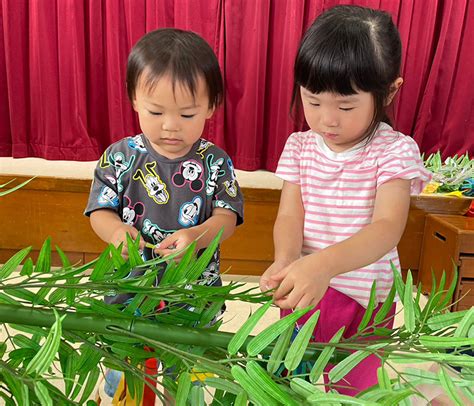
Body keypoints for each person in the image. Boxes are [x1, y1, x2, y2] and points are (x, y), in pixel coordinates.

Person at [259, 5, 431, 396]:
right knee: (289, 380)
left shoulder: (393, 151)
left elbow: (386, 229)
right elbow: (289, 214)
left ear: (388, 91)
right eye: (313, 101)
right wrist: (287, 258)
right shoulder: (301, 146)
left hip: (365, 297)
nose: (327, 120)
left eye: (346, 105)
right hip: (305, 289)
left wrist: (324, 263)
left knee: (357, 386)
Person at [85, 28, 243, 403]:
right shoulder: (120, 156)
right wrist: (117, 233)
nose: (171, 125)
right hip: (128, 286)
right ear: (135, 100)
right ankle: (119, 386)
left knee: (185, 372)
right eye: (156, 112)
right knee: (127, 362)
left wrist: (197, 236)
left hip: (192, 292)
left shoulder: (216, 162)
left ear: (211, 106)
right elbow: (99, 211)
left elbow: (227, 218)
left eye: (187, 114)